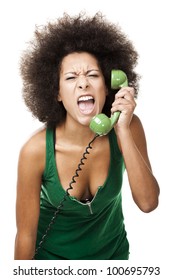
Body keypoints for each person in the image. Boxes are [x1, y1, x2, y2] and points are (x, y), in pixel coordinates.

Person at [14, 12, 160, 260]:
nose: (83, 84)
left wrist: (122, 130)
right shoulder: (36, 150)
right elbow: (25, 236)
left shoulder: (128, 127)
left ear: (108, 85)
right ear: (57, 92)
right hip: (52, 264)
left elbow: (148, 203)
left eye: (93, 75)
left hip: (113, 261)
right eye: (71, 78)